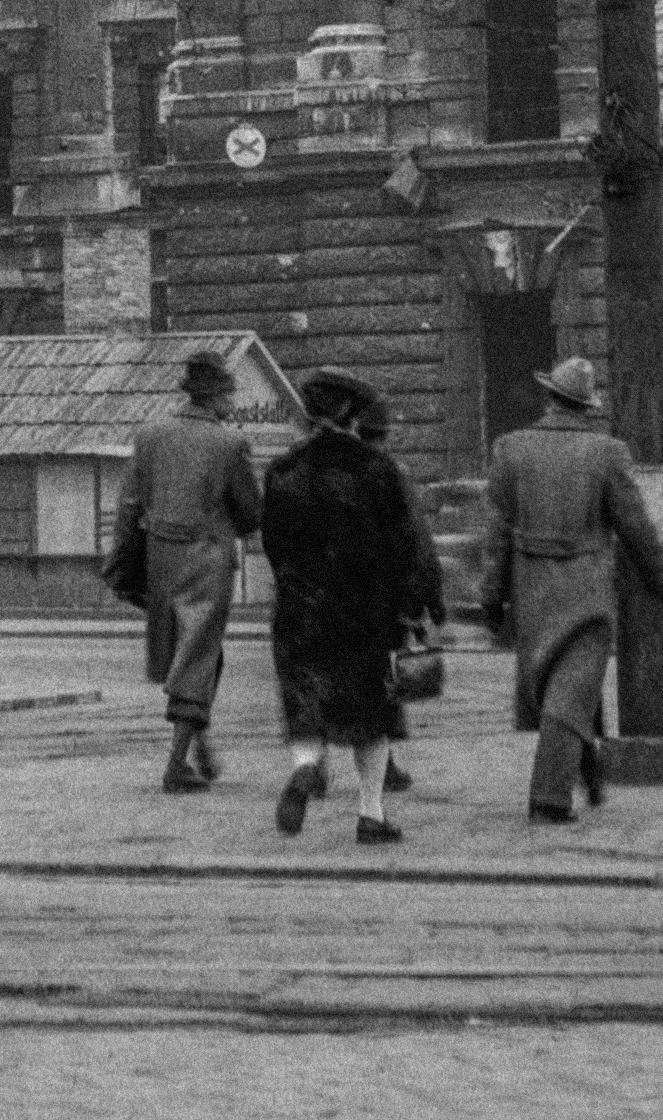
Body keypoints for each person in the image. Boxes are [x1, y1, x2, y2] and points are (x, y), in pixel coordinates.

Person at [479, 354, 663, 820]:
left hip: (532, 588)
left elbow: (496, 530)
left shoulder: (510, 449)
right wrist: (662, 580)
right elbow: (636, 527)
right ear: (587, 408)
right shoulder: (609, 453)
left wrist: (491, 595)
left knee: (562, 683)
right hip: (587, 588)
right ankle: (549, 797)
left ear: (549, 398)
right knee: (571, 688)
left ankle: (589, 771)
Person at [259, 369, 445, 846]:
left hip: (300, 610)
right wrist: (414, 605)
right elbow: (402, 546)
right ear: (348, 413)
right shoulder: (376, 470)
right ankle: (371, 813)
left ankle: (304, 769)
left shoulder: (282, 472)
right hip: (365, 612)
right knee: (371, 715)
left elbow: (274, 545)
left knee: (306, 704)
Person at [112, 347, 263, 793]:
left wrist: (122, 561)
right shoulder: (230, 444)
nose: (233, 405)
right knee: (199, 654)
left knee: (188, 653)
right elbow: (251, 515)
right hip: (207, 562)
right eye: (229, 396)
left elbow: (128, 505)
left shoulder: (149, 435)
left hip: (161, 559)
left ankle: (201, 747)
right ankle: (177, 763)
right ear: (214, 397)